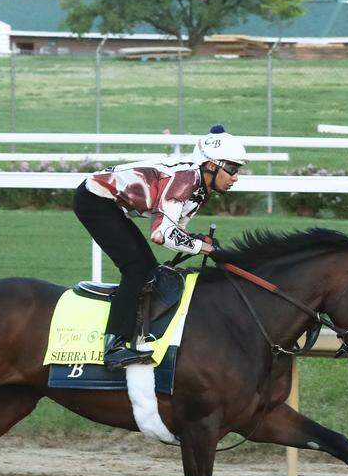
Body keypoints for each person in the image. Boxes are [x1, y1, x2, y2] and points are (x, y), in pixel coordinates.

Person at [73, 125, 245, 370]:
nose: (235, 177)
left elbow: (176, 229)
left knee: (148, 270)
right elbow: (161, 234)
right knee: (136, 270)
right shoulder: (185, 181)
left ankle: (139, 333)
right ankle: (114, 347)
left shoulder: (200, 189)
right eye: (232, 168)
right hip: (94, 200)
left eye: (237, 170)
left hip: (113, 205)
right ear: (211, 165)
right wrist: (204, 248)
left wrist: (199, 241)